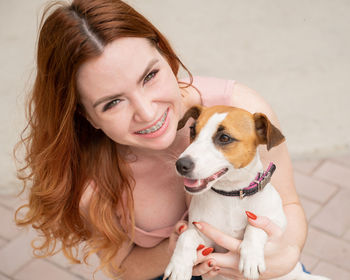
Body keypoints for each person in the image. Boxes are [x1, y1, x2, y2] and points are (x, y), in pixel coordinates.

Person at [15, 0, 308, 279]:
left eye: (149, 76)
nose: (147, 112)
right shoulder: (88, 181)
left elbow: (288, 204)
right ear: (86, 115)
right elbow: (123, 269)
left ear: (167, 56)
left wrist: (287, 254)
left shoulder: (241, 109)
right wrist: (178, 248)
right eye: (112, 102)